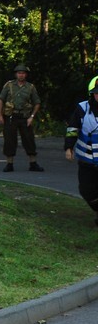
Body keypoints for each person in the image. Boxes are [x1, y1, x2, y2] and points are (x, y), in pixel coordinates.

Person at [65, 77, 98, 226]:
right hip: (86, 160)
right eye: (97, 93)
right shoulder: (82, 108)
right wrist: (68, 147)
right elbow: (72, 129)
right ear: (92, 94)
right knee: (86, 190)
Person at [0, 65, 43, 172]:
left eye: (23, 73)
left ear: (26, 75)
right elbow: (0, 100)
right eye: (19, 73)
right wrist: (0, 115)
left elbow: (37, 103)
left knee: (29, 139)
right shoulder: (9, 85)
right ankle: (9, 164)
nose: (21, 75)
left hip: (25, 116)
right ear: (16, 74)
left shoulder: (30, 87)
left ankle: (33, 163)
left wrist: (32, 116)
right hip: (10, 116)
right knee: (9, 139)